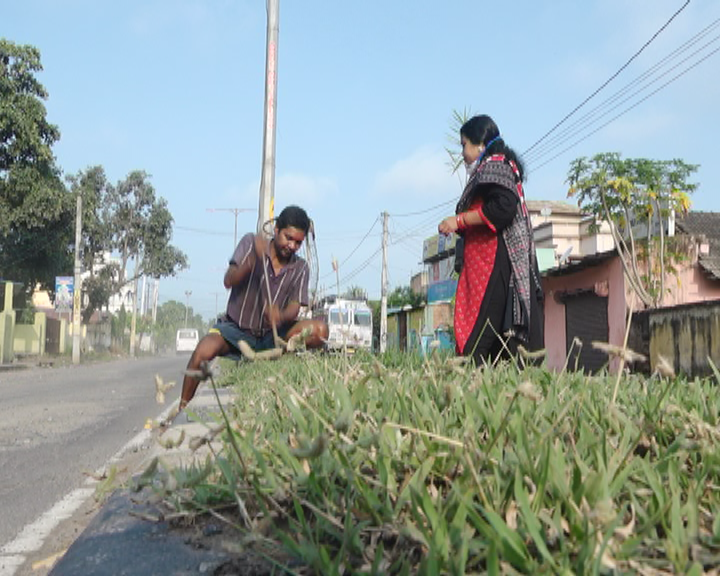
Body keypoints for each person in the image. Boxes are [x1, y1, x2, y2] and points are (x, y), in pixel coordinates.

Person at [178, 205, 329, 410]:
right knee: (203, 351)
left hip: (271, 336)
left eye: (298, 242)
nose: (292, 246)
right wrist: (251, 262)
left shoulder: (300, 267)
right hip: (236, 330)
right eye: (288, 237)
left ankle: (283, 362)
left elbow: (295, 305)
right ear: (276, 231)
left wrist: (281, 316)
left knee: (320, 330)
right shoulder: (251, 243)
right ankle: (182, 408)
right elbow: (228, 280)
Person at [438, 115, 544, 364]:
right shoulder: (492, 168)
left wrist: (459, 221)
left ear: (480, 144)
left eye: (464, 145)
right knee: (499, 345)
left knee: (478, 343)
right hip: (485, 266)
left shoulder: (495, 167)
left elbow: (503, 208)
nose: (462, 152)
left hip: (495, 264)